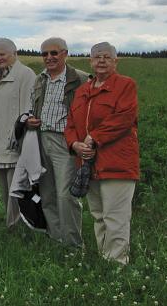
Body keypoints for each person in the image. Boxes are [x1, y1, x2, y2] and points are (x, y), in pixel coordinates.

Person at [65, 42, 139, 264]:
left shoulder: (125, 86)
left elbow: (124, 118)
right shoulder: (82, 91)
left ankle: (117, 266)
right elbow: (70, 124)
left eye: (107, 57)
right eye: (97, 57)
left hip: (117, 164)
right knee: (98, 215)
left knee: (115, 217)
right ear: (90, 61)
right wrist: (74, 145)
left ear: (116, 61)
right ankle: (104, 260)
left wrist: (94, 138)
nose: (102, 60)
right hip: (89, 164)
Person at [25, 37, 89, 247]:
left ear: (65, 54)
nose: (49, 58)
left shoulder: (79, 79)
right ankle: (55, 238)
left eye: (54, 53)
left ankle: (72, 245)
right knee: (47, 192)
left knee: (65, 195)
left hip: (65, 142)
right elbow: (34, 107)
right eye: (45, 54)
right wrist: (31, 120)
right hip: (41, 139)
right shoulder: (39, 79)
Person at [0, 37, 36, 228]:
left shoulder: (25, 75)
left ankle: (18, 228)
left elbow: (26, 113)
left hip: (15, 145)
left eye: (2, 54)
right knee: (6, 190)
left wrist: (21, 141)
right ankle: (12, 226)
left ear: (14, 54)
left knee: (17, 190)